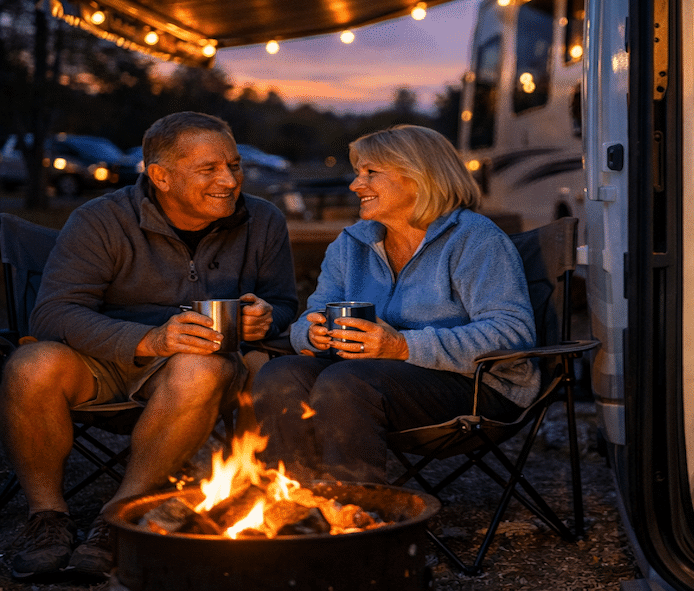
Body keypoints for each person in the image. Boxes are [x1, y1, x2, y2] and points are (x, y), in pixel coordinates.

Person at [0, 112, 297, 579]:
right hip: (106, 359)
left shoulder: (262, 220)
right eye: (209, 168)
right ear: (160, 175)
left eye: (234, 165)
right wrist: (149, 339)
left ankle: (119, 519)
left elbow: (283, 303)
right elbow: (54, 313)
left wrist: (267, 316)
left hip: (203, 373)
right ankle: (47, 518)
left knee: (199, 368)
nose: (229, 180)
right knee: (30, 363)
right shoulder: (101, 220)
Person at [251, 125, 537, 483]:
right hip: (373, 380)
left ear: (420, 177)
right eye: (357, 173)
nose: (356, 185)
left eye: (371, 173)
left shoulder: (473, 238)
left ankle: (356, 514)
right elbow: (308, 318)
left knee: (349, 381)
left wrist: (402, 346)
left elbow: (512, 334)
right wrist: (313, 335)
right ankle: (294, 508)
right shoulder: (351, 244)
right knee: (281, 374)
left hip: (476, 387)